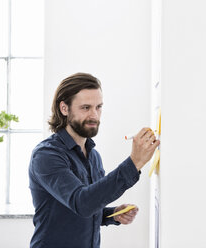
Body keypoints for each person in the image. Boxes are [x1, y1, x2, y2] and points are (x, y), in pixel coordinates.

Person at [29, 72, 160, 248]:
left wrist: (112, 215)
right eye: (85, 107)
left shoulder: (93, 156)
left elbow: (85, 207)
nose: (94, 115)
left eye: (98, 107)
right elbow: (82, 203)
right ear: (64, 108)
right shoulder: (46, 155)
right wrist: (135, 162)